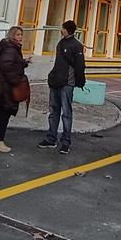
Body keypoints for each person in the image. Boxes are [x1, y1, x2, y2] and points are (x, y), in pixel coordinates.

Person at [37, 20, 86, 155]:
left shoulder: (76, 46)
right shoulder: (60, 43)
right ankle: (51, 138)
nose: (61, 30)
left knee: (66, 113)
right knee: (54, 111)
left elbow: (80, 66)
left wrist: (80, 81)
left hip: (67, 83)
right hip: (56, 81)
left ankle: (65, 142)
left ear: (69, 30)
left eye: (63, 28)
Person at [0, 25, 29, 153]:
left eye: (21, 35)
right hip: (5, 89)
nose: (20, 37)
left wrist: (23, 63)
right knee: (4, 113)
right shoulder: (11, 49)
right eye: (18, 34)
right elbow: (6, 66)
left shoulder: (10, 48)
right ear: (12, 35)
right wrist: (16, 80)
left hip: (1, 87)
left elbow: (10, 63)